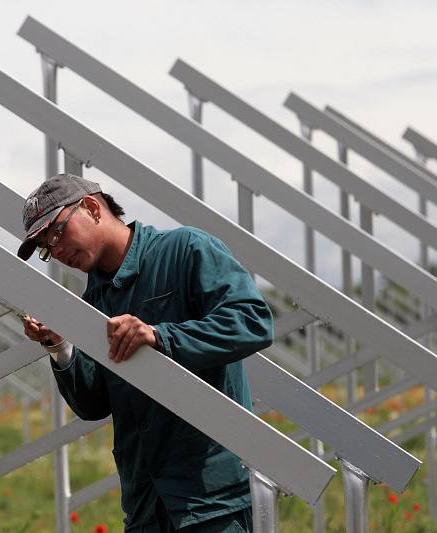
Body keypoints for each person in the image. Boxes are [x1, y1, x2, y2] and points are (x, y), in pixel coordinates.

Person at [17, 174, 274, 532]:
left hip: (211, 499)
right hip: (146, 507)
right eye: (46, 246)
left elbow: (252, 322)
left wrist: (160, 336)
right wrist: (60, 345)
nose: (56, 251)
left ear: (92, 208)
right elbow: (93, 404)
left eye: (56, 233)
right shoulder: (91, 305)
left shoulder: (186, 250)